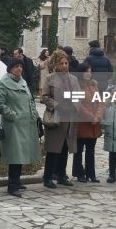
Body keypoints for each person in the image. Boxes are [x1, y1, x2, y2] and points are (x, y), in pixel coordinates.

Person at [0, 57, 42, 197]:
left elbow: (30, 101)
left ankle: (17, 180)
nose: (19, 69)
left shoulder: (23, 82)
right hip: (14, 125)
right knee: (15, 155)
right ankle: (12, 185)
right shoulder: (3, 83)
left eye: (20, 66)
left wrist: (35, 116)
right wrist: (12, 115)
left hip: (27, 124)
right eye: (16, 66)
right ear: (10, 68)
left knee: (22, 154)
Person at [40, 50, 79, 189]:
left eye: (66, 63)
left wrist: (75, 105)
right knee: (53, 149)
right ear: (56, 64)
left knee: (65, 148)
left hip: (70, 118)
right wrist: (57, 106)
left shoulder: (73, 79)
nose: (64, 65)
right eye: (61, 63)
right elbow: (44, 97)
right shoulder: (49, 78)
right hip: (56, 118)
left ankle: (62, 175)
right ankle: (48, 177)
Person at [72, 64, 103, 183]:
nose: (89, 74)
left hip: (94, 123)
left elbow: (100, 101)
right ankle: (79, 173)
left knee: (91, 149)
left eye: (90, 71)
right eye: (86, 71)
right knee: (79, 149)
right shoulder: (77, 86)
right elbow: (79, 105)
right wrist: (91, 116)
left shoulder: (94, 84)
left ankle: (91, 173)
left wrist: (98, 116)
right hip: (82, 122)